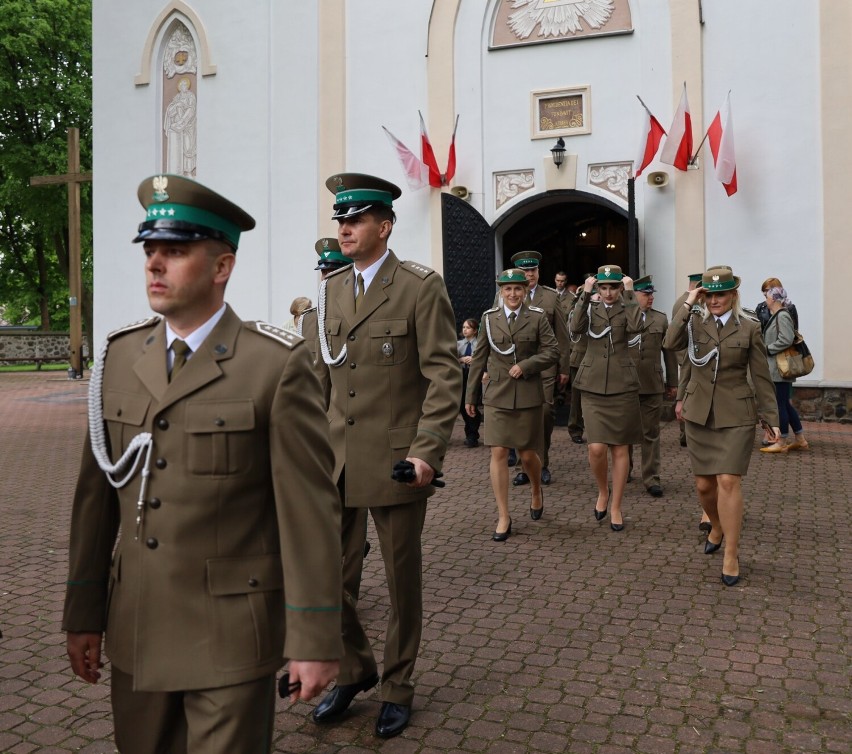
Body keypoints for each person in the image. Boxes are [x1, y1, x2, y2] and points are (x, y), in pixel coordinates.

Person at [62, 174, 343, 754]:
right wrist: (83, 612)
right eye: (150, 250)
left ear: (221, 267)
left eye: (176, 250)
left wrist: (314, 635)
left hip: (230, 635)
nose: (155, 264)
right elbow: (95, 500)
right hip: (137, 627)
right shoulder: (117, 358)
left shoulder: (274, 365)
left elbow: (309, 513)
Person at [312, 172, 460, 739]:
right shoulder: (331, 290)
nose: (345, 229)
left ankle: (397, 686)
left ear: (384, 225)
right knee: (328, 578)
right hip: (337, 460)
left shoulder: (419, 287)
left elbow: (444, 375)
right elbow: (319, 379)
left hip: (398, 462)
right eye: (340, 221)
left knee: (401, 584)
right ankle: (353, 670)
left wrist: (428, 453)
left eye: (355, 220)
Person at [663, 266, 780, 587]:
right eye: (710, 294)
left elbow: (761, 376)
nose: (715, 300)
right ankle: (715, 524)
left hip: (736, 414)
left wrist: (771, 418)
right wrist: (689, 302)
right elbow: (670, 342)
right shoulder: (694, 323)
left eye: (721, 294)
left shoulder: (749, 328)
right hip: (700, 413)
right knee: (704, 486)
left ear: (733, 295)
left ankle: (731, 551)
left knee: (728, 480)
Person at [465, 269, 559, 540]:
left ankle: (535, 490)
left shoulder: (537, 317)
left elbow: (553, 351)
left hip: (528, 394)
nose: (513, 294)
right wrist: (471, 396)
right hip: (497, 395)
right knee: (498, 453)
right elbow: (479, 357)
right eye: (508, 290)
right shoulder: (489, 318)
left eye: (518, 288)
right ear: (501, 292)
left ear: (524, 290)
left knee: (528, 455)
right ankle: (504, 515)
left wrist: (527, 365)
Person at [569, 265, 643, 531]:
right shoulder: (590, 306)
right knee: (596, 448)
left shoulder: (628, 306)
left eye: (614, 287)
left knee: (620, 448)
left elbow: (636, 327)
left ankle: (616, 506)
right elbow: (575, 328)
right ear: (598, 287)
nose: (609, 292)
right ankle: (603, 491)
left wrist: (632, 293)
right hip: (593, 385)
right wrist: (585, 295)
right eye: (604, 287)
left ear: (620, 288)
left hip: (621, 385)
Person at [505, 251, 570, 486]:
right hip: (515, 369)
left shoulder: (551, 298)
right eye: (525, 271)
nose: (529, 275)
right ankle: (523, 467)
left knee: (543, 414)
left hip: (544, 368)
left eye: (533, 270)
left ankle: (541, 463)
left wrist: (564, 367)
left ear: (538, 272)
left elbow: (562, 336)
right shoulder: (506, 294)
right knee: (521, 417)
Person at [628, 276, 679, 497]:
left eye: (652, 294)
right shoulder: (622, 317)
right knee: (624, 433)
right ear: (634, 295)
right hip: (626, 384)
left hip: (652, 383)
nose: (651, 298)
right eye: (646, 294)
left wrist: (673, 382)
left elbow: (669, 352)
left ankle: (651, 478)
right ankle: (625, 469)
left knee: (651, 433)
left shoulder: (660, 319)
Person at [759, 286, 809, 453]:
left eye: (767, 296)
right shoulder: (778, 315)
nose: (765, 299)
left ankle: (781, 442)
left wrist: (767, 349)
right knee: (785, 406)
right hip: (778, 368)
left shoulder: (782, 316)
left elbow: (786, 339)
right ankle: (800, 440)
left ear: (774, 299)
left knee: (779, 405)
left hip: (779, 369)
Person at [299, 238, 354, 367]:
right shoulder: (307, 321)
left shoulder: (362, 315)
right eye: (324, 272)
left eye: (333, 272)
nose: (327, 278)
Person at [458, 317, 483, 447]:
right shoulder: (459, 344)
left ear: (474, 330)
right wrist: (462, 359)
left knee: (472, 404)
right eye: (463, 327)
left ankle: (472, 435)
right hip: (462, 376)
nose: (465, 330)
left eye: (468, 327)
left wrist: (474, 360)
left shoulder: (479, 344)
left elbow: (485, 358)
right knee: (463, 405)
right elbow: (451, 358)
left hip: (475, 376)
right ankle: (470, 432)